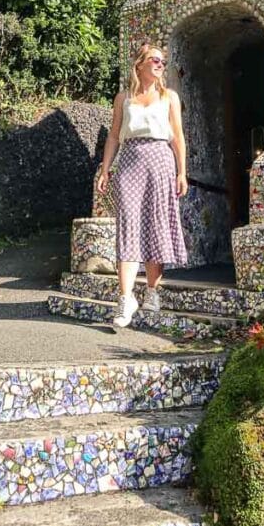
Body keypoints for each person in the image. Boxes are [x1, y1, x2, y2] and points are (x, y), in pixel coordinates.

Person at [96, 42, 188, 328]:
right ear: (140, 65)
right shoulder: (123, 98)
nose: (160, 65)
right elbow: (113, 136)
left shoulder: (168, 96)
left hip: (161, 161)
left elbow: (177, 138)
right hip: (131, 161)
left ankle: (152, 291)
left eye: (162, 61)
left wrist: (182, 172)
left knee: (156, 224)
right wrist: (105, 168)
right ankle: (125, 298)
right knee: (129, 226)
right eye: (155, 60)